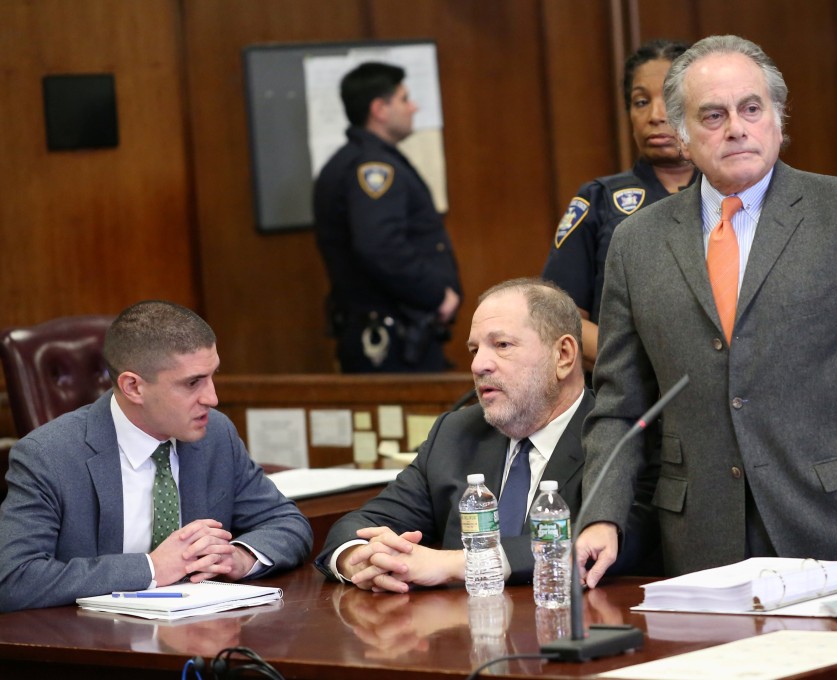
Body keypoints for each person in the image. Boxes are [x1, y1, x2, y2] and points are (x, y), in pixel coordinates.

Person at [574, 35, 837, 587]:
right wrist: (602, 512)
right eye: (713, 115)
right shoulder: (637, 242)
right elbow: (619, 403)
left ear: (777, 118)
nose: (737, 128)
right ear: (682, 134)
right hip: (701, 532)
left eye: (752, 108)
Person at [314, 278, 654, 592]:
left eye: (501, 345)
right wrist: (361, 557)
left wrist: (455, 564)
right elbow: (361, 524)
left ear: (563, 356)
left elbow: (609, 542)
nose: (479, 366)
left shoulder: (621, 436)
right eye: (475, 350)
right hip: (458, 640)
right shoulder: (455, 433)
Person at [0, 301, 312, 612]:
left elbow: (287, 523)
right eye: (193, 383)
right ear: (133, 387)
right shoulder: (48, 455)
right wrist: (151, 568)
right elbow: (12, 578)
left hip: (202, 633)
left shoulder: (216, 434)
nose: (212, 398)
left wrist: (241, 557)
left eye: (212, 376)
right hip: (97, 643)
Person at [542, 40, 698, 370]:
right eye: (641, 101)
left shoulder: (729, 195)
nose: (656, 116)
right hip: (622, 390)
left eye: (670, 100)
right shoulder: (598, 198)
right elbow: (558, 316)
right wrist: (642, 365)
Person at [314, 61, 462, 373]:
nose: (414, 107)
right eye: (404, 99)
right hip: (392, 340)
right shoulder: (373, 168)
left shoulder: (350, 161)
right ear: (379, 109)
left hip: (389, 333)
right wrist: (437, 295)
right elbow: (380, 245)